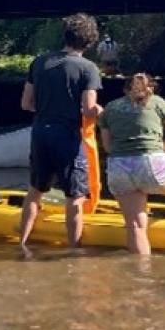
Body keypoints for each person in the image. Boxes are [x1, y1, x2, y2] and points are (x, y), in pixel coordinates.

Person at [17, 13, 105, 257]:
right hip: (67, 135)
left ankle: (22, 243)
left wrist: (48, 108)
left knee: (35, 190)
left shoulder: (39, 62)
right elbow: (88, 109)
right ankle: (74, 252)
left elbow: (26, 103)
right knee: (75, 196)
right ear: (89, 42)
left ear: (65, 36)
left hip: (40, 132)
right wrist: (105, 114)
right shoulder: (88, 68)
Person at [97, 73, 165, 256]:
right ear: (151, 88)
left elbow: (107, 147)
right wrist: (162, 147)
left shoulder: (110, 108)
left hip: (119, 168)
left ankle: (142, 271)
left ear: (124, 90)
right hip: (151, 165)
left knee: (135, 225)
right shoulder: (157, 102)